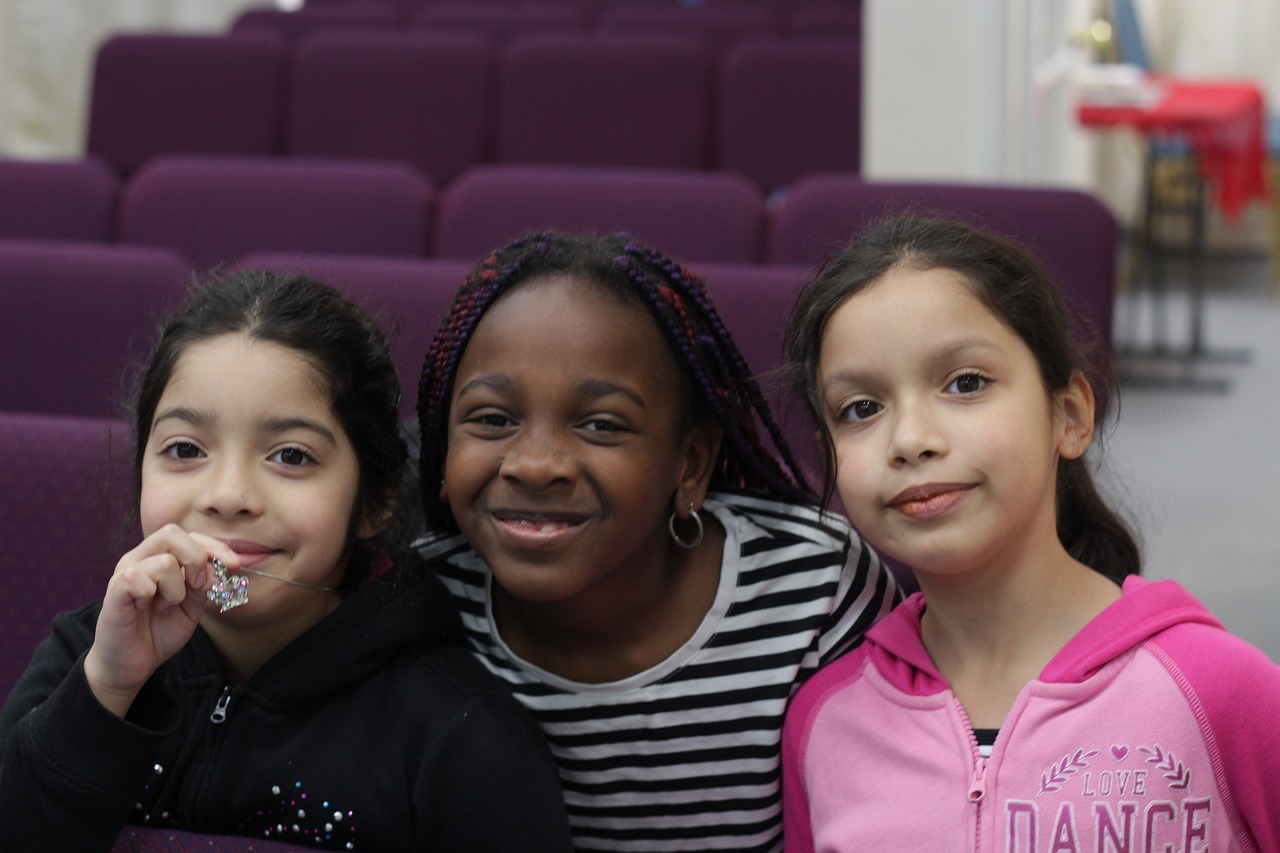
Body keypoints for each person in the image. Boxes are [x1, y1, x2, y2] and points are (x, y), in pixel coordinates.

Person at [0, 269, 573, 852]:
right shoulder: (85, 655)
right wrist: (107, 689)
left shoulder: (459, 734)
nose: (227, 495)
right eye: (184, 450)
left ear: (376, 499)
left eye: (291, 456)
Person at [779, 215, 1280, 851]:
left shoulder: (1217, 690)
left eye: (966, 383)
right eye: (862, 409)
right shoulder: (825, 721)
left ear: (1068, 416)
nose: (908, 440)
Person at [412, 230, 899, 852]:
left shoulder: (814, 586)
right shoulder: (415, 602)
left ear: (690, 464)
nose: (535, 465)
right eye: (493, 419)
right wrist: (238, 582)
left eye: (601, 424)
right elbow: (244, 612)